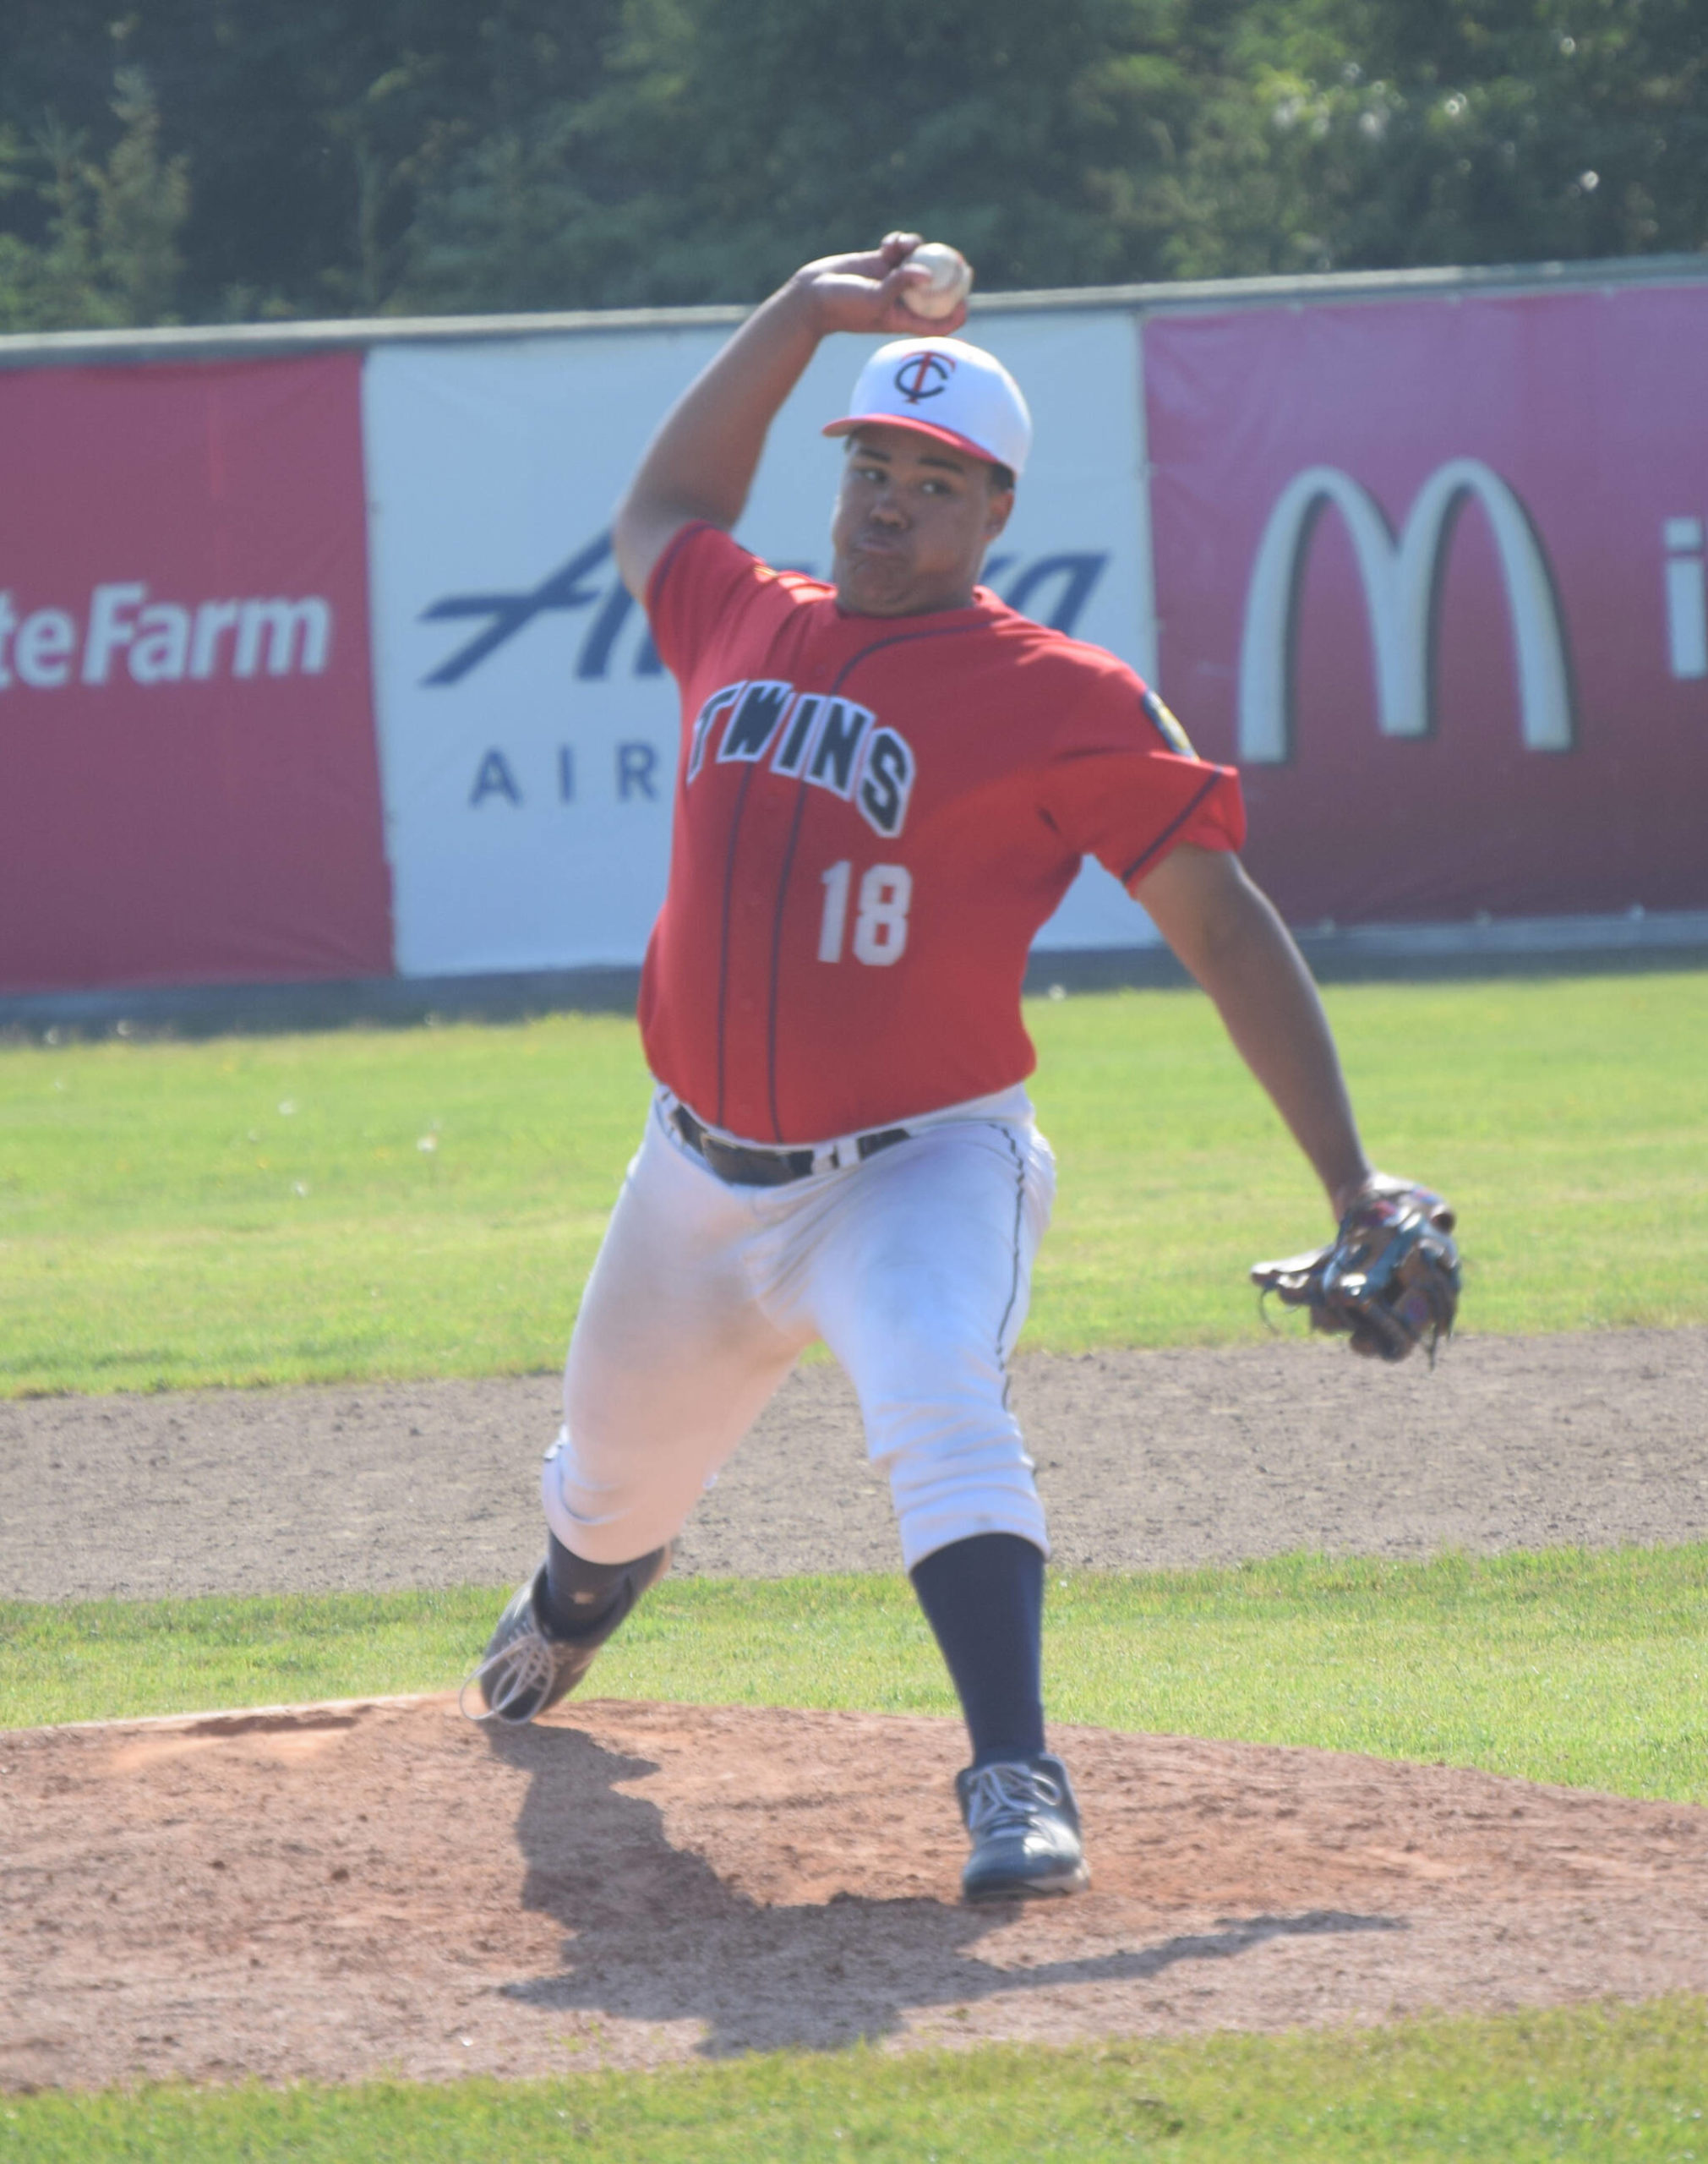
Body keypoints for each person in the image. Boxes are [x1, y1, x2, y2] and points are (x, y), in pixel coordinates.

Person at [467, 233, 1394, 1904]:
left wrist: (1353, 1179)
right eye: (873, 465)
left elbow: (1224, 923)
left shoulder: (1061, 695)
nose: (889, 500)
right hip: (693, 1178)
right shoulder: (740, 614)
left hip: (918, 1164)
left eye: (935, 479)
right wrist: (807, 311)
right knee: (606, 1502)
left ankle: (1015, 1772)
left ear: (993, 515)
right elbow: (665, 506)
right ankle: (564, 1615)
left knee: (937, 1396)